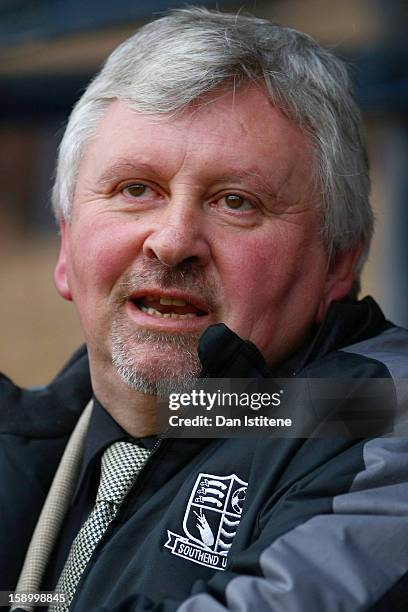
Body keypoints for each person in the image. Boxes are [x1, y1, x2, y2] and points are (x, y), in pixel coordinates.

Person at [1, 7, 408, 612]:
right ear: (66, 245)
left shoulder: (375, 416)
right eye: (135, 190)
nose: (171, 240)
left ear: (337, 264)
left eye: (235, 202)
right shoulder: (33, 440)